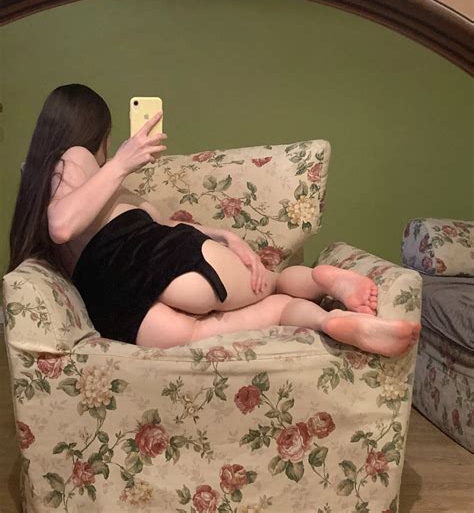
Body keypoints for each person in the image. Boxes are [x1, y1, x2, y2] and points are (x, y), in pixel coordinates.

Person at [9, 84, 420, 356]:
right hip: (169, 263)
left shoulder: (53, 193)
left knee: (274, 312)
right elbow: (62, 225)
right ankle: (323, 283)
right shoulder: (76, 157)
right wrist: (120, 163)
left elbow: (77, 230)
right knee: (276, 283)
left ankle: (331, 322)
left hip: (121, 309)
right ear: (95, 130)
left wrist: (222, 233)